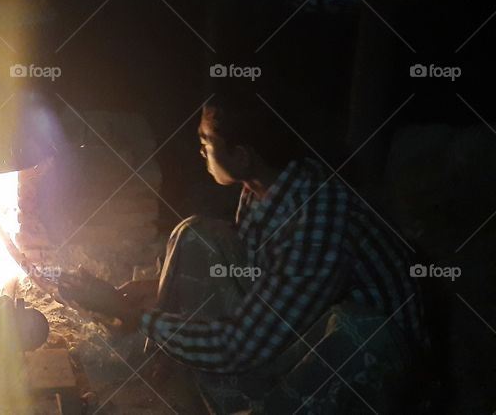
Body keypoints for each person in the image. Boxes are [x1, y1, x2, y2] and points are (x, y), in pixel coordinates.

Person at [59, 95, 428, 414]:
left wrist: (131, 314)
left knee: (358, 331)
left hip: (362, 356)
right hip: (300, 318)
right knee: (196, 234)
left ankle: (255, 400)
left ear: (242, 155)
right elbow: (256, 275)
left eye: (207, 140)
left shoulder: (316, 221)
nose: (200, 149)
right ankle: (185, 364)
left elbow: (241, 343)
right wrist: (157, 290)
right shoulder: (266, 185)